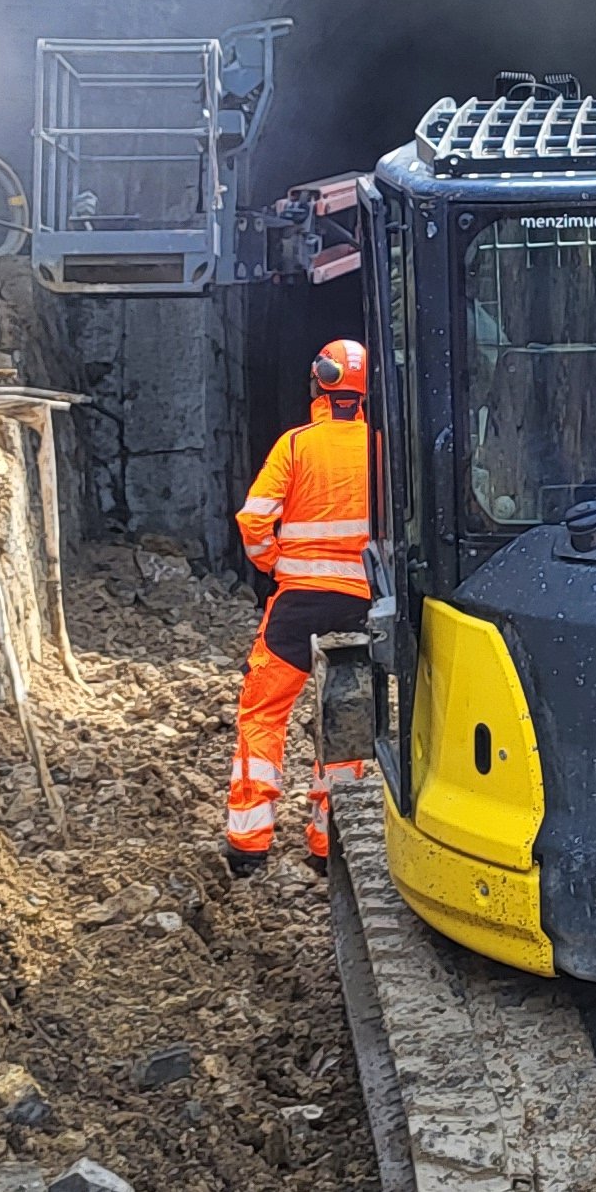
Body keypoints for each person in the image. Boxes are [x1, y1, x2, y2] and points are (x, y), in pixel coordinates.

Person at [225, 336, 376, 872]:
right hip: (360, 606)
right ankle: (326, 844)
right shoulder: (383, 449)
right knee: (347, 719)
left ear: (320, 381)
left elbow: (254, 520)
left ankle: (249, 842)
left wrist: (272, 564)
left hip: (298, 604)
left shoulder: (296, 445)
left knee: (264, 712)